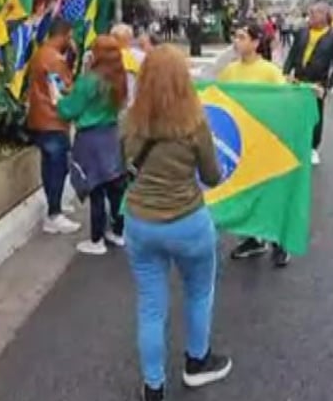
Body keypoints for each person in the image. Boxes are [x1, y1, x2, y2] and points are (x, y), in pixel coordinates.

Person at [123, 44, 231, 401]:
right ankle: (197, 363)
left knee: (151, 306)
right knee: (199, 292)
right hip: (188, 222)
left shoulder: (129, 121)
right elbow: (212, 176)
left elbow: (125, 165)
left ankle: (153, 387)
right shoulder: (195, 123)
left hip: (140, 223)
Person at [219, 23, 292, 267]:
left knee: (269, 192)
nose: (236, 41)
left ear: (255, 43)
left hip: (264, 140)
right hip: (240, 140)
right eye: (236, 36)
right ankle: (252, 238)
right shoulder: (229, 71)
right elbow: (220, 100)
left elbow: (284, 103)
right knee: (244, 190)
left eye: (241, 37)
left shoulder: (270, 72)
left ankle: (279, 242)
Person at [58, 36, 129, 255]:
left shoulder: (90, 80)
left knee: (96, 188)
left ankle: (96, 240)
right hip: (112, 136)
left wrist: (56, 97)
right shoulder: (120, 78)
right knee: (116, 188)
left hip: (91, 140)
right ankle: (117, 233)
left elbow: (68, 110)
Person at [25, 20, 82, 235]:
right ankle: (54, 214)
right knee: (57, 167)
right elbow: (65, 90)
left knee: (50, 166)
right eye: (70, 37)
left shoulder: (41, 53)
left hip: (40, 117)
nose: (71, 41)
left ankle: (54, 205)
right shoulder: (56, 60)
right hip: (53, 120)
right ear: (65, 35)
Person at [282, 2, 333, 166]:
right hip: (298, 80)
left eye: (314, 14)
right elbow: (292, 54)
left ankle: (313, 147)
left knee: (315, 116)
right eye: (310, 13)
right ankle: (297, 144)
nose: (311, 16)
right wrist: (286, 73)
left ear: (324, 16)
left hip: (317, 84)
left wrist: (327, 86)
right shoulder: (302, 32)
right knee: (295, 114)